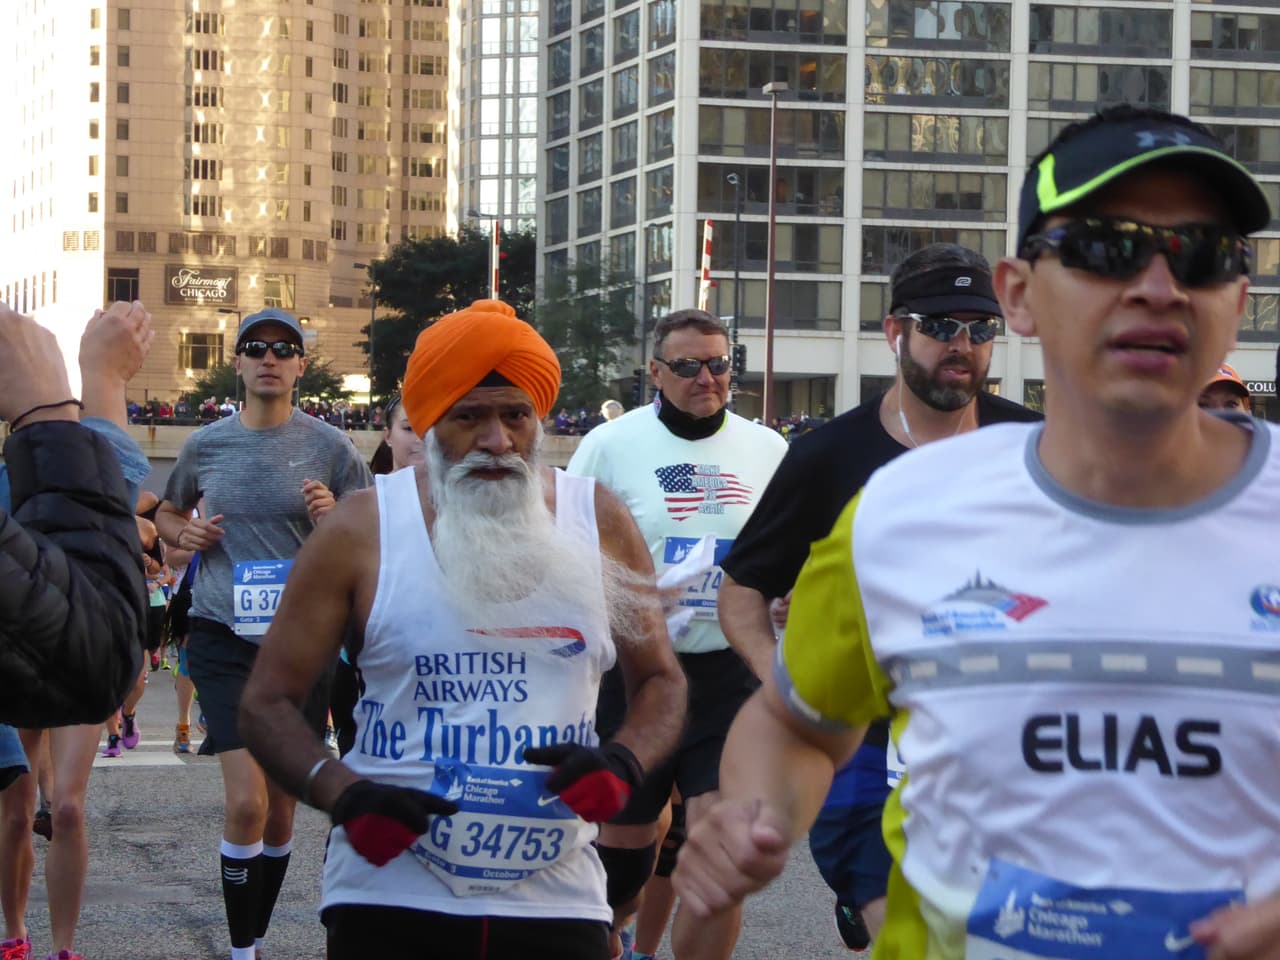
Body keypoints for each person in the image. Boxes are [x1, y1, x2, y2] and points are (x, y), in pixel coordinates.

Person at [676, 104, 1280, 959]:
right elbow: (798, 725)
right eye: (1108, 249)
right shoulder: (904, 512)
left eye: (1204, 254)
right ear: (1020, 295)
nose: (1158, 287)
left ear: (1238, 300)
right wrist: (752, 813)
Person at [238, 299, 687, 959]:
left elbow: (661, 681)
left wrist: (622, 764)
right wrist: (347, 795)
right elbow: (266, 703)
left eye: (515, 415)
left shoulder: (600, 519)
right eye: (469, 417)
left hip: (556, 895)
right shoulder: (362, 528)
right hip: (389, 892)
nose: (498, 441)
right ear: (428, 422)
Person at [717, 243, 1041, 953]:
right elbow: (742, 588)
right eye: (942, 328)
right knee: (908, 934)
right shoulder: (829, 456)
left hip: (996, 744)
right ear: (896, 333)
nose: (964, 347)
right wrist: (785, 682)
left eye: (982, 330)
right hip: (865, 746)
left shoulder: (1033, 446)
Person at [568, 308, 787, 960]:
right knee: (628, 850)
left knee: (720, 854)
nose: (707, 377)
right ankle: (613, 936)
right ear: (656, 373)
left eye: (719, 363)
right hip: (638, 668)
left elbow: (799, 551)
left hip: (729, 671)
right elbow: (565, 543)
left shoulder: (769, 449)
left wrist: (788, 599)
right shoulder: (610, 446)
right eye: (688, 366)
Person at [155, 307, 371, 960]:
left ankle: (257, 926)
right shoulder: (205, 445)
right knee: (246, 803)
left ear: (302, 365)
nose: (270, 357)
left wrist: (335, 518)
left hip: (301, 647)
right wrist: (182, 534)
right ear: (240, 363)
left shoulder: (331, 447)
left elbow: (371, 529)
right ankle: (244, 950)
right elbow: (166, 512)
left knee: (281, 811)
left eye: (284, 348)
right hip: (222, 638)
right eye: (257, 348)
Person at [1, 300, 154, 960]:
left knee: (64, 806)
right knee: (16, 803)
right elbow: (95, 647)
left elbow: (112, 492)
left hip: (56, 639)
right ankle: (14, 932)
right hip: (57, 639)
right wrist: (73, 401)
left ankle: (59, 945)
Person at [330, 394, 425, 758]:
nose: (420, 438)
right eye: (408, 428)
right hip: (365, 663)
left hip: (442, 668)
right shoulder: (362, 506)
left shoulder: (472, 505)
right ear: (387, 436)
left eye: (431, 426)